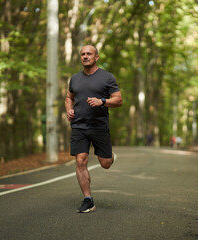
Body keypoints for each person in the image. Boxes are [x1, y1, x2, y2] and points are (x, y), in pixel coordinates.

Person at [65, 45, 123, 213]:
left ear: (96, 57)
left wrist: (102, 101)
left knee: (105, 164)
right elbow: (69, 97)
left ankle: (109, 156)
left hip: (99, 126)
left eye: (89, 54)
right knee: (80, 161)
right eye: (82, 54)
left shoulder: (107, 77)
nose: (85, 56)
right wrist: (68, 109)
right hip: (79, 125)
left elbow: (118, 100)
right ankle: (88, 199)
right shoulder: (75, 79)